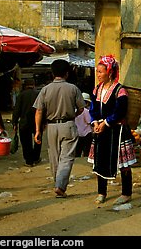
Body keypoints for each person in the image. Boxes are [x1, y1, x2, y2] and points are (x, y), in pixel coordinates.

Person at [87, 54, 137, 206]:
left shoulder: (120, 91)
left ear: (109, 72)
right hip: (101, 130)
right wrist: (95, 122)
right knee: (100, 160)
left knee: (123, 164)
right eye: (97, 71)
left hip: (118, 130)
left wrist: (106, 123)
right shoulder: (97, 90)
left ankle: (126, 193)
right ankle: (102, 192)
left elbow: (120, 111)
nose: (98, 74)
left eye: (101, 71)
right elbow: (93, 109)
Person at [34, 59, 86, 198]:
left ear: (52, 73)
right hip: (68, 124)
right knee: (67, 157)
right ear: (67, 73)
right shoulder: (73, 88)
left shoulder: (45, 89)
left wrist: (38, 130)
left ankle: (57, 183)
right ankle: (60, 185)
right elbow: (81, 108)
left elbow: (39, 111)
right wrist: (73, 115)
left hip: (51, 126)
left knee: (54, 156)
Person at [12, 78, 41, 167]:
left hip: (24, 122)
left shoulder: (21, 95)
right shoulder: (38, 94)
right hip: (37, 122)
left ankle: (29, 160)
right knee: (38, 140)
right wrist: (43, 122)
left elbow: (16, 110)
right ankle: (36, 158)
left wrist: (14, 122)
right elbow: (42, 109)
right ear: (34, 85)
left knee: (26, 142)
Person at [74, 92, 93, 157]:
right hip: (86, 133)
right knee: (87, 150)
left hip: (78, 133)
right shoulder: (85, 111)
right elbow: (89, 121)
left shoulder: (75, 110)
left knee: (78, 150)